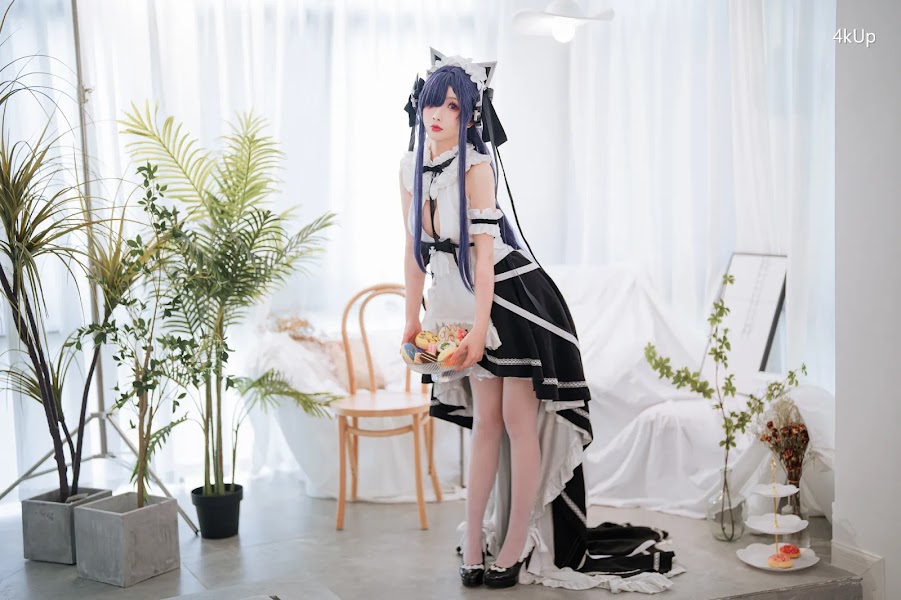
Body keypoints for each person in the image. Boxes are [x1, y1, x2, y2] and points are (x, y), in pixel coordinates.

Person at [398, 49, 679, 592]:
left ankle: (513, 545)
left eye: (453, 106)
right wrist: (411, 320)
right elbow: (414, 252)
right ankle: (475, 543)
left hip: (511, 300)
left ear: (470, 115)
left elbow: (485, 258)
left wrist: (479, 332)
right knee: (486, 423)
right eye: (434, 102)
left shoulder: (476, 168)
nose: (439, 114)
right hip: (459, 298)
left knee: (517, 421)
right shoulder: (409, 167)